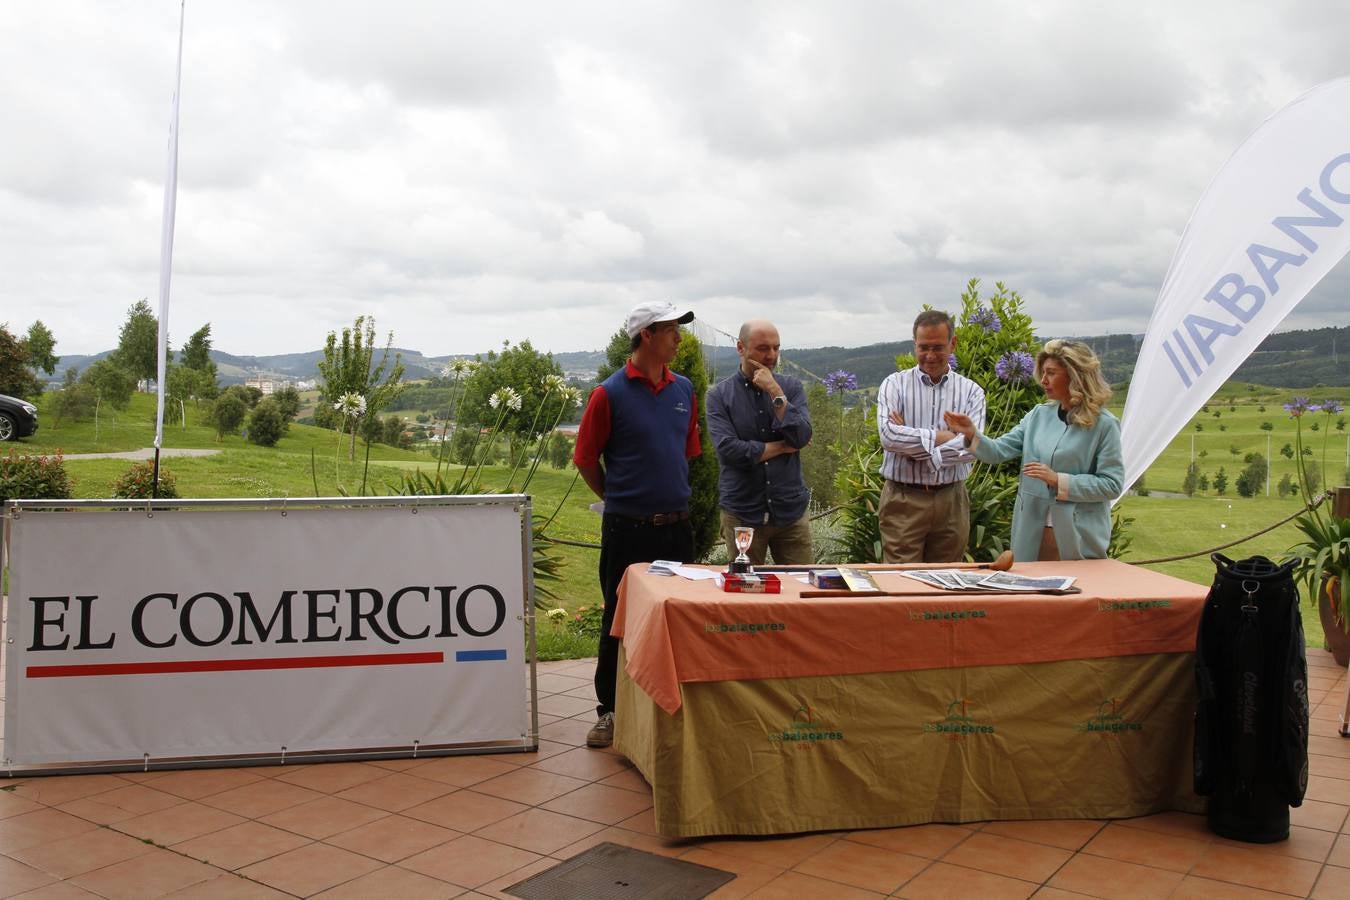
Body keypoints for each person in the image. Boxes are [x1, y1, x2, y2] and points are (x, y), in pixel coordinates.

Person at [573, 301, 700, 748]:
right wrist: (616, 498)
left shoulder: (683, 389)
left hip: (676, 527)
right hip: (626, 529)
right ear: (646, 335)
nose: (679, 339)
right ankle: (609, 710)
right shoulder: (608, 394)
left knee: (677, 617)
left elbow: (686, 453)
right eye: (671, 331)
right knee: (618, 617)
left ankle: (670, 707)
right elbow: (585, 459)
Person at [943, 339, 1123, 561]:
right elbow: (998, 451)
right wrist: (971, 433)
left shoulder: (1105, 425)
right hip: (1031, 531)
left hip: (1077, 537)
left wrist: (1059, 480)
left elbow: (1112, 484)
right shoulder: (1038, 415)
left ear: (1074, 375)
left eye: (1051, 373)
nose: (1044, 380)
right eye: (1043, 373)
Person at [875, 310, 986, 563]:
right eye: (923, 347)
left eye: (938, 347)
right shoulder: (894, 384)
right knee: (901, 583)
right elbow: (889, 436)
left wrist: (913, 448)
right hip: (903, 499)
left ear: (953, 343)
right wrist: (943, 436)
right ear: (914, 344)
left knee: (947, 582)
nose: (930, 355)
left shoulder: (972, 392)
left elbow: (971, 447)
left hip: (952, 499)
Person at [706, 319, 813, 565]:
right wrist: (783, 447)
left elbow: (801, 436)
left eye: (776, 348)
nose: (771, 355)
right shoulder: (719, 396)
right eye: (763, 348)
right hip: (743, 512)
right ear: (740, 348)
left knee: (800, 589)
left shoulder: (791, 388)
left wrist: (775, 392)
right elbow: (729, 451)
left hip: (790, 512)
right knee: (746, 594)